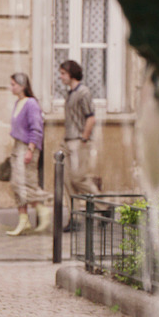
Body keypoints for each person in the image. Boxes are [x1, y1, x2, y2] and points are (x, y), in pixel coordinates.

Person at [7, 72, 52, 236]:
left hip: (27, 147)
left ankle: (43, 205)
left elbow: (36, 128)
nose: (11, 87)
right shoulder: (18, 102)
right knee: (16, 183)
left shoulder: (31, 104)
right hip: (17, 146)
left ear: (22, 86)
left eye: (13, 84)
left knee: (27, 183)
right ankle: (23, 220)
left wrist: (31, 149)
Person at [60, 59, 99, 229]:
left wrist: (84, 138)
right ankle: (74, 218)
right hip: (68, 141)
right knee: (67, 180)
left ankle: (104, 207)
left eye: (63, 73)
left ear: (71, 74)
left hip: (78, 141)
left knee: (79, 178)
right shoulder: (69, 93)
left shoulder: (84, 92)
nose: (60, 77)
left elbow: (91, 117)